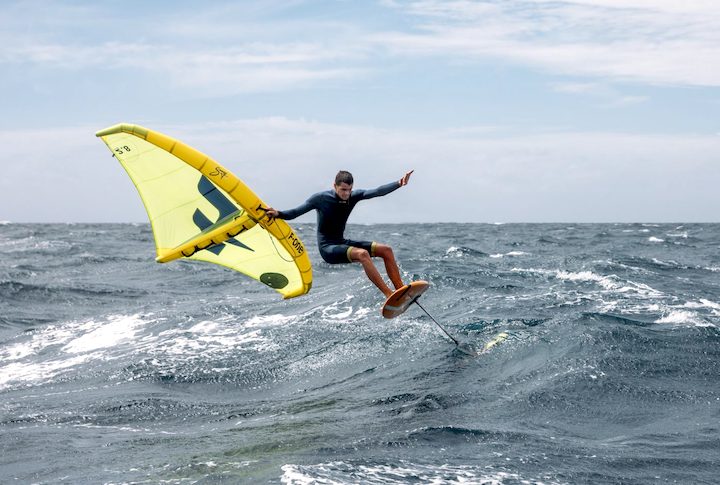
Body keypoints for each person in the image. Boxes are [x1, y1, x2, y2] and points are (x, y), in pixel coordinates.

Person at [266, 170, 414, 298]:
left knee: (386, 250)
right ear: (334, 186)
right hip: (328, 248)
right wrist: (278, 213)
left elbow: (377, 191)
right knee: (362, 254)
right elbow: (295, 213)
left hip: (341, 242)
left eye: (349, 190)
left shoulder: (353, 196)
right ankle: (389, 294)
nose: (346, 193)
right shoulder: (320, 199)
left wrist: (399, 183)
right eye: (343, 189)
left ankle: (401, 290)